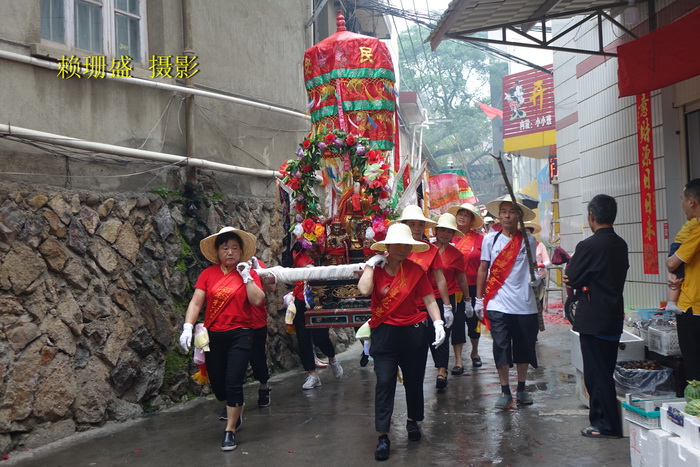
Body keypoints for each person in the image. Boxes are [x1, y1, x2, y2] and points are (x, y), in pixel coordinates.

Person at [357, 223, 446, 461]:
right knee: (384, 382)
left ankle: (412, 420)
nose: (403, 249)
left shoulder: (415, 270)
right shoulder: (376, 270)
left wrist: (438, 323)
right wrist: (369, 265)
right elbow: (364, 290)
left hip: (413, 332)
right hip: (384, 334)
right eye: (398, 244)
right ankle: (383, 436)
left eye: (407, 245)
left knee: (414, 380)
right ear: (387, 246)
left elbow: (429, 300)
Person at [179, 226, 265, 451]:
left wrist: (247, 277)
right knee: (218, 385)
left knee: (233, 381)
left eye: (234, 248)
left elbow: (258, 300)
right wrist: (188, 327)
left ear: (241, 251)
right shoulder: (208, 274)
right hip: (213, 336)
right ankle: (235, 412)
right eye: (225, 248)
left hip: (241, 334)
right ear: (217, 251)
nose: (230, 252)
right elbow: (197, 302)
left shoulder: (249, 272)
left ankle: (230, 430)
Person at [564, 194, 629, 439]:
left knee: (596, 374)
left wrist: (578, 281)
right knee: (605, 370)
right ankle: (607, 421)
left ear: (591, 216)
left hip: (593, 318)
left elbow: (572, 277)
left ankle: (605, 424)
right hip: (613, 315)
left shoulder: (588, 246)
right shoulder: (620, 244)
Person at [475, 195, 539, 409]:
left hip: (525, 305)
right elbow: (483, 268)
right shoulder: (490, 240)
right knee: (501, 347)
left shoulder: (528, 241)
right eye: (503, 211)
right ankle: (504, 390)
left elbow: (534, 268)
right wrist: (478, 298)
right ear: (498, 215)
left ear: (519, 216)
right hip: (498, 304)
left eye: (512, 211)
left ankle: (521, 388)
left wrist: (536, 279)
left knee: (524, 348)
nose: (507, 215)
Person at [395, 205, 453, 389]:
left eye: (420, 224)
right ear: (405, 226)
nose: (417, 228)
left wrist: (447, 306)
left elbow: (440, 278)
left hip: (430, 302)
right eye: (412, 224)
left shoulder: (431, 250)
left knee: (439, 336)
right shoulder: (397, 249)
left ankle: (442, 370)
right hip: (406, 305)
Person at [291, 246, 344, 389]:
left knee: (321, 337)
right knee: (303, 337)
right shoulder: (296, 253)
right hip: (301, 298)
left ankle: (332, 358)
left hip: (320, 297)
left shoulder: (325, 247)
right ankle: (312, 374)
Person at [667, 179, 700, 382]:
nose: (681, 203)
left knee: (695, 372)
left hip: (694, 308)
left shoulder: (696, 231)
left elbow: (672, 263)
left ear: (692, 202)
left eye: (682, 199)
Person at [432, 213, 472, 379]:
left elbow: (462, 278)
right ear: (436, 230)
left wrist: (468, 299)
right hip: (427, 299)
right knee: (431, 334)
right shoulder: (427, 249)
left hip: (448, 298)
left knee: (448, 331)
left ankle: (444, 368)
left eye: (449, 231)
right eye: (442, 230)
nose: (445, 234)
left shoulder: (456, 254)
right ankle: (440, 366)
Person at [447, 203, 484, 372]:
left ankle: (475, 352)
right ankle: (458, 360)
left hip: (474, 286)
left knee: (473, 321)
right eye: (459, 214)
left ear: (471, 220)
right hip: (454, 289)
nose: (461, 217)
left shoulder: (479, 239)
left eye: (466, 215)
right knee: (457, 322)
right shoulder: (448, 237)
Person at [665, 218, 698, 314]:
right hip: (679, 246)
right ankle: (671, 303)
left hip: (678, 245)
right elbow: (671, 264)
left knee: (676, 277)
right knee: (677, 278)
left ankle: (671, 303)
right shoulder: (695, 222)